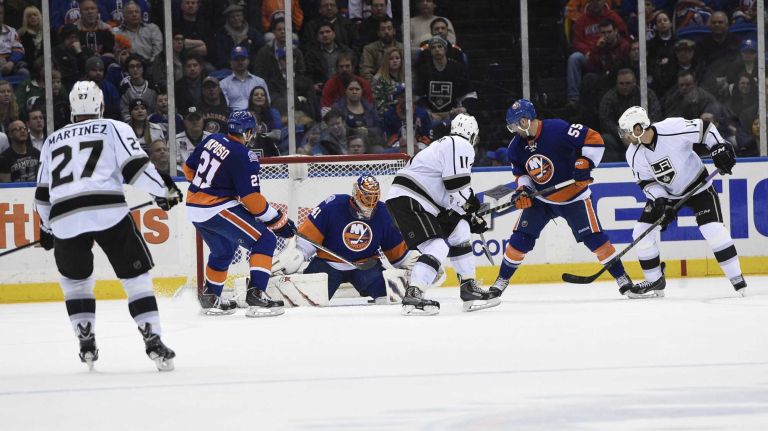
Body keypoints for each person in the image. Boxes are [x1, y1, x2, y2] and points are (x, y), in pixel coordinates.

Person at [34, 81, 180, 371]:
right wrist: (165, 191)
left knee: (76, 282)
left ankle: (86, 342)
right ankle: (153, 339)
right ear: (100, 106)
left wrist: (48, 228)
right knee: (135, 277)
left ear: (72, 109)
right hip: (108, 212)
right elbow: (136, 169)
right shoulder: (113, 127)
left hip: (64, 218)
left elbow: (41, 195)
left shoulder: (52, 140)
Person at [489, 99, 636, 298]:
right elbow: (522, 173)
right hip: (542, 200)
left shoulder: (557, 129)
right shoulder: (516, 146)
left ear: (524, 121)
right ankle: (501, 282)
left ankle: (622, 279)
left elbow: (594, 139)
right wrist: (523, 190)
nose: (514, 130)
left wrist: (585, 162)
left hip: (574, 197)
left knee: (595, 240)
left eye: (515, 125)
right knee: (519, 240)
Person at [617, 106, 747, 297]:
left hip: (699, 187)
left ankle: (737, 280)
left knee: (712, 229)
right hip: (668, 195)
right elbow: (647, 182)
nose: (626, 136)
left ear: (638, 128)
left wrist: (719, 146)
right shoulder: (633, 154)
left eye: (628, 131)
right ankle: (655, 281)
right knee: (641, 232)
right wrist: (661, 201)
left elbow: (705, 129)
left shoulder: (672, 128)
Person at [183, 110, 296, 316]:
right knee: (265, 240)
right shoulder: (245, 155)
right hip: (216, 207)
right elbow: (252, 200)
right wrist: (277, 220)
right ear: (248, 132)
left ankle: (211, 297)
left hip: (193, 207)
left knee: (224, 250)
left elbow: (188, 170)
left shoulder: (212, 139)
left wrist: (213, 188)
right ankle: (256, 295)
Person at [385, 113, 496, 315]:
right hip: (410, 199)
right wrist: (472, 207)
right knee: (437, 245)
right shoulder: (460, 144)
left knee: (460, 229)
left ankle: (468, 288)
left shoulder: (444, 146)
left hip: (421, 200)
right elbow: (457, 186)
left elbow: (452, 195)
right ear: (473, 135)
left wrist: (470, 216)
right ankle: (414, 294)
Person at [294, 175, 414, 302]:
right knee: (305, 300)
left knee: (389, 297)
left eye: (374, 197)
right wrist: (296, 256)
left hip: (365, 265)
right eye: (367, 196)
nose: (370, 202)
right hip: (328, 263)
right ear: (356, 193)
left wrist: (413, 265)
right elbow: (306, 240)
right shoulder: (333, 206)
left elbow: (397, 252)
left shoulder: (383, 213)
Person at [219, 46, 270, 111]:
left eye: (242, 59)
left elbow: (267, 102)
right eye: (236, 59)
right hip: (234, 115)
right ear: (231, 62)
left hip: (256, 114)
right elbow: (224, 107)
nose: (240, 62)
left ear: (248, 61)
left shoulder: (260, 82)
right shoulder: (223, 84)